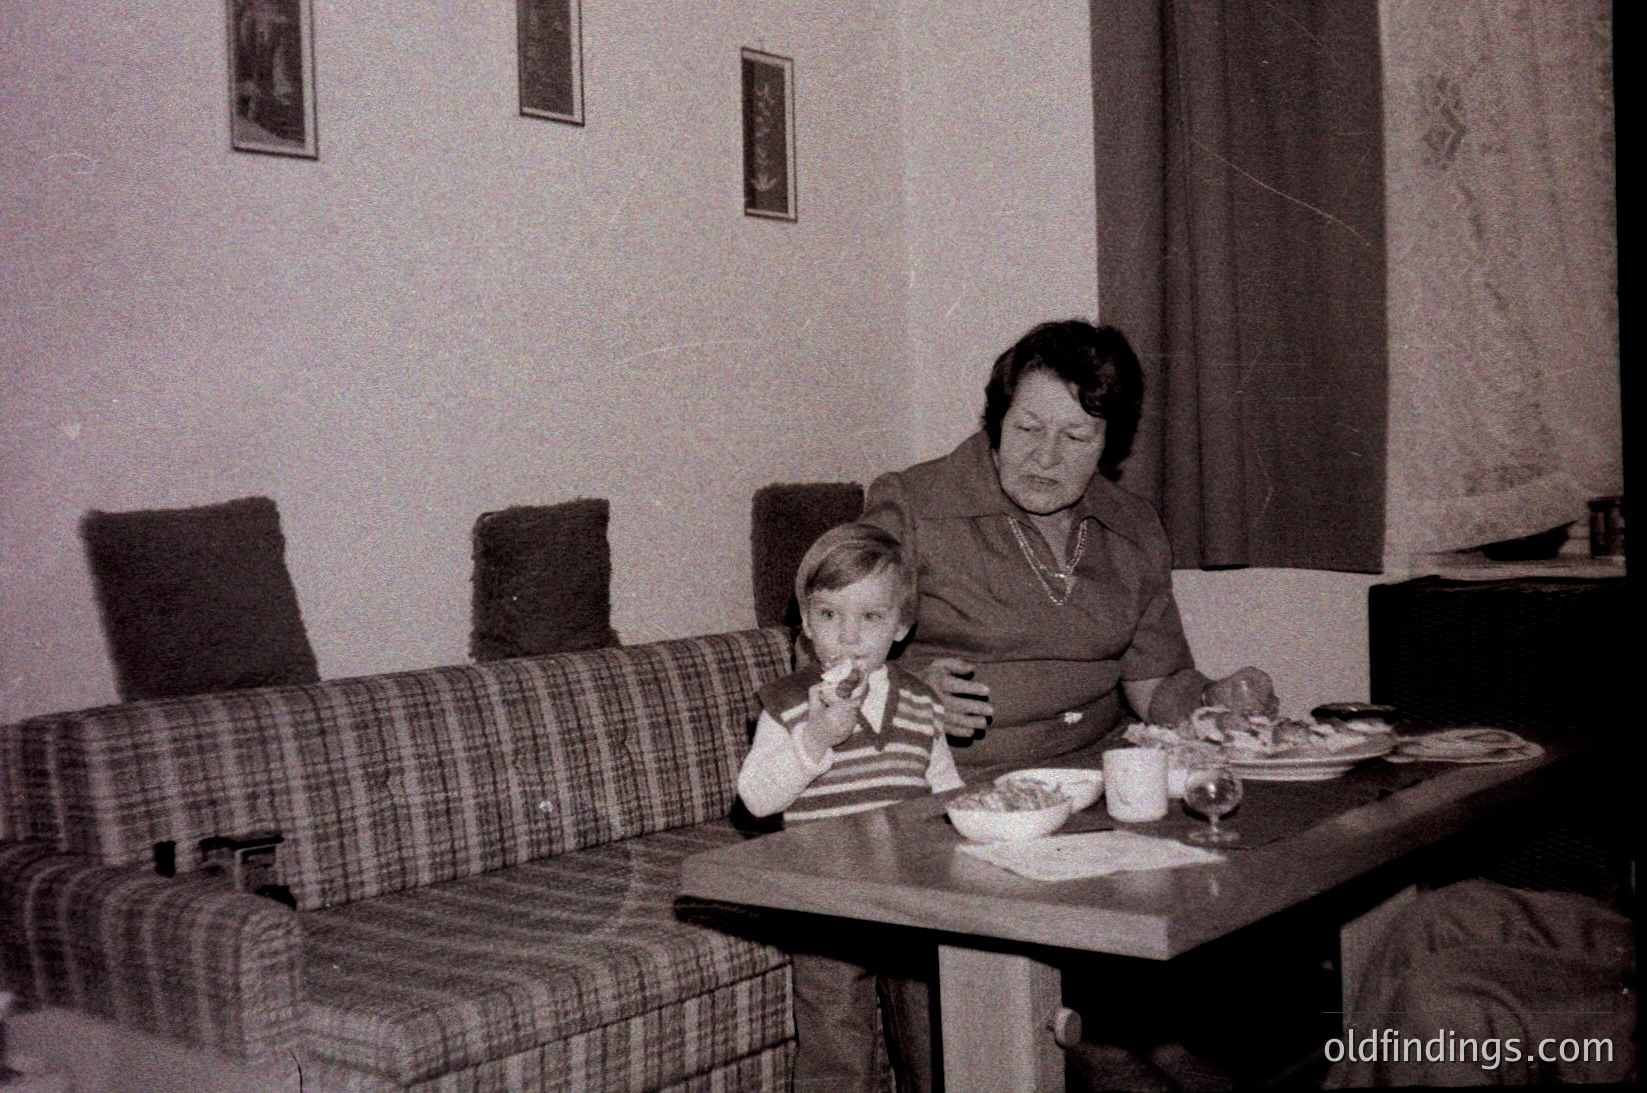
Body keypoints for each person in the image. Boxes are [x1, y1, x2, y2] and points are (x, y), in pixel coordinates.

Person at [861, 319, 1275, 775]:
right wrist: (903, 692)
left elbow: (1153, 685)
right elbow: (820, 649)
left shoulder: (1134, 527)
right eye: (1027, 429)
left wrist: (1210, 699)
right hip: (950, 782)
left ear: (1109, 444)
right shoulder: (914, 506)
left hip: (1100, 775)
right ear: (999, 421)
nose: (1045, 457)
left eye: (1075, 437)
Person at [737, 523, 963, 1093]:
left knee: (936, 1040)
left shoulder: (919, 702)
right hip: (826, 903)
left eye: (871, 617)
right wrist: (814, 739)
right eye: (830, 615)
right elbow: (756, 797)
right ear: (807, 624)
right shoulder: (788, 706)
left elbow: (945, 791)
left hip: (914, 897)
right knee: (835, 1050)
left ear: (902, 625)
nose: (849, 637)